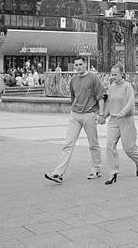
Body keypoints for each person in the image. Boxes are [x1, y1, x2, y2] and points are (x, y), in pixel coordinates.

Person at [44, 56, 107, 184]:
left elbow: (101, 96)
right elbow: (73, 97)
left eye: (80, 65)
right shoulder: (73, 80)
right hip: (75, 115)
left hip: (89, 115)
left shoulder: (93, 77)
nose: (78, 67)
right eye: (76, 65)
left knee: (93, 144)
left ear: (85, 65)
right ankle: (58, 173)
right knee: (68, 144)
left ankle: (96, 169)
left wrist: (101, 114)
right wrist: (75, 109)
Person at [101, 64, 138, 185]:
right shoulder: (111, 87)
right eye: (112, 74)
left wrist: (123, 112)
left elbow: (131, 103)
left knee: (128, 149)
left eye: (115, 74)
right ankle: (113, 173)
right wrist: (103, 116)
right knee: (109, 146)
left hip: (126, 119)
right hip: (114, 120)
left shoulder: (127, 86)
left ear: (122, 74)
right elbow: (109, 103)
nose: (113, 76)